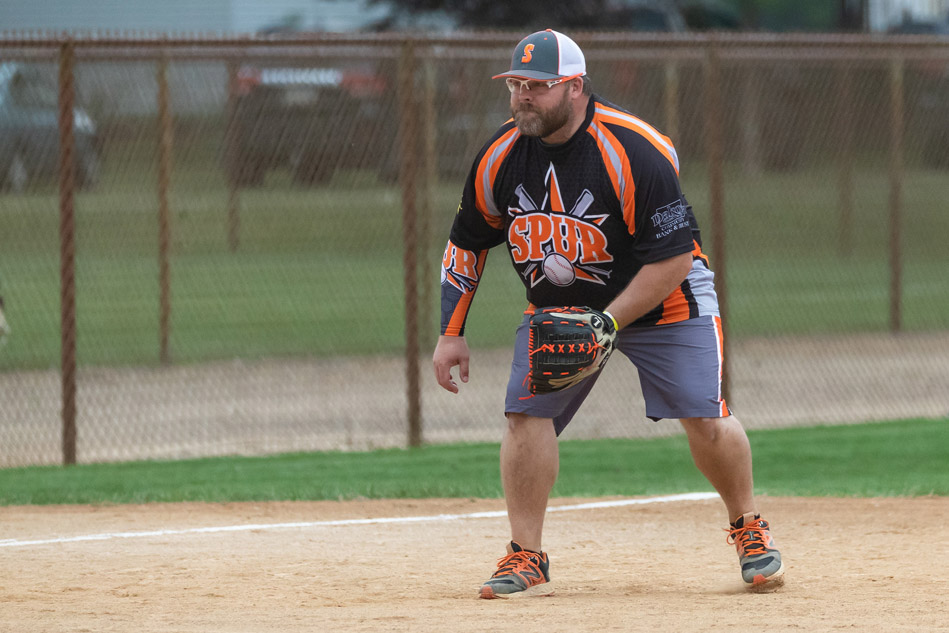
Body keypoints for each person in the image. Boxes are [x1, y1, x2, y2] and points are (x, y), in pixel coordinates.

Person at [432, 29, 784, 598]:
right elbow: (466, 243)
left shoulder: (634, 149)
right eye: (515, 85)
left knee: (705, 417)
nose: (523, 96)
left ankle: (748, 528)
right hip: (562, 306)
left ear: (575, 87)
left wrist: (608, 323)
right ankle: (526, 554)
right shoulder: (499, 156)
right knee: (524, 416)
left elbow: (674, 258)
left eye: (538, 86)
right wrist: (451, 332)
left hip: (665, 297)